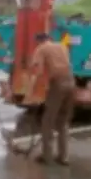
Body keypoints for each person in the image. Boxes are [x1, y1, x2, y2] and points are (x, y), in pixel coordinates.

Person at [29, 32, 75, 166]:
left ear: (39, 41)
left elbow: (37, 71)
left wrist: (31, 92)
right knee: (62, 121)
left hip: (58, 84)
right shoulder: (62, 46)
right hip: (71, 83)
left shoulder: (41, 48)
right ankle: (63, 156)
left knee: (48, 120)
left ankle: (46, 155)